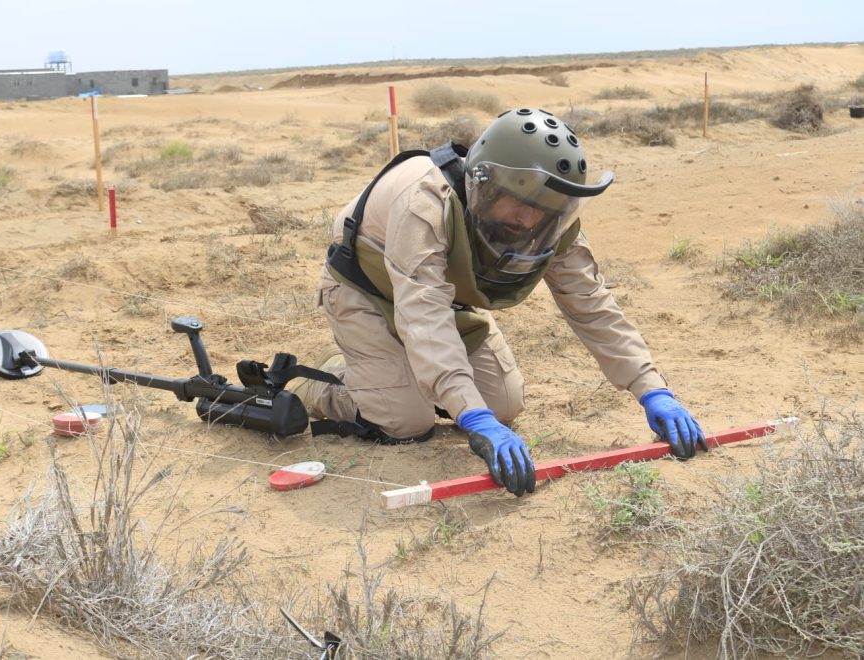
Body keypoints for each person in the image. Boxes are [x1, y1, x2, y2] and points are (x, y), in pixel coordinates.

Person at [294, 107, 705, 496]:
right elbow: (423, 313)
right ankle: (325, 380)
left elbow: (591, 303)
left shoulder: (550, 221)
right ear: (485, 183)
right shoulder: (424, 201)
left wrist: (653, 390)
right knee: (406, 422)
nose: (530, 221)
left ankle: (399, 373)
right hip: (365, 292)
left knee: (504, 404)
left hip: (442, 300)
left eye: (543, 210)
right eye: (522, 203)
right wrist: (471, 415)